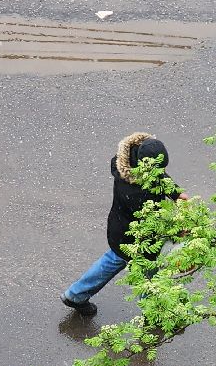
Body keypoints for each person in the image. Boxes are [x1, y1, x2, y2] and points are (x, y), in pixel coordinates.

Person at [61, 132, 183, 318]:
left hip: (119, 229)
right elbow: (156, 222)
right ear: (145, 168)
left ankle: (75, 295)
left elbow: (159, 177)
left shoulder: (129, 159)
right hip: (137, 239)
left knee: (113, 259)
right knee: (146, 272)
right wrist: (179, 228)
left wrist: (176, 193)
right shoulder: (138, 193)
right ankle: (152, 316)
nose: (160, 173)